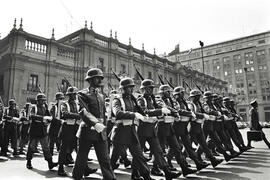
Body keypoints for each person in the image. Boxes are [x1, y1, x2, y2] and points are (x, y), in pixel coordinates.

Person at [72, 68, 115, 180]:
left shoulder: (101, 96)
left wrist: (104, 127)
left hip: (100, 132)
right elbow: (83, 111)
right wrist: (95, 123)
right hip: (87, 130)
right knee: (81, 158)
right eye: (97, 78)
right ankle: (76, 177)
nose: (99, 80)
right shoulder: (82, 94)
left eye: (100, 78)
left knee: (105, 159)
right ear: (90, 80)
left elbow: (103, 113)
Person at [137, 79, 181, 179]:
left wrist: (174, 112)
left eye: (151, 88)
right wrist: (160, 111)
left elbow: (164, 107)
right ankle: (135, 173)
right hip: (143, 130)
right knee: (138, 154)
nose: (150, 91)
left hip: (152, 130)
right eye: (148, 89)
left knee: (159, 151)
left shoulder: (152, 99)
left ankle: (167, 172)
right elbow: (144, 111)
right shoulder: (141, 100)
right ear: (143, 90)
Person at [110, 77, 153, 180]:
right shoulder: (117, 100)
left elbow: (142, 111)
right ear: (123, 88)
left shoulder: (132, 100)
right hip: (120, 133)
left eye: (132, 87)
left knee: (139, 156)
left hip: (131, 132)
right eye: (129, 87)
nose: (131, 89)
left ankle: (147, 177)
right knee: (114, 159)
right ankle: (108, 175)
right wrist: (134, 114)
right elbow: (118, 113)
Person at [156, 84, 197, 177]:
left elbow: (175, 109)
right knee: (160, 150)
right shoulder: (158, 100)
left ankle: (184, 168)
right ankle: (155, 167)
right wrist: (174, 112)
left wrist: (175, 112)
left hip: (169, 127)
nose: (169, 93)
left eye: (169, 92)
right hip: (161, 127)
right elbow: (167, 108)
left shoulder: (170, 100)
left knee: (177, 148)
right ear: (162, 93)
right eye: (167, 92)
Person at [167, 86, 209, 171]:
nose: (183, 95)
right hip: (177, 126)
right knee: (174, 147)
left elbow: (187, 111)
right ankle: (168, 162)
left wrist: (190, 115)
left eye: (183, 93)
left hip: (184, 126)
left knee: (188, 146)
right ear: (176, 95)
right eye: (181, 93)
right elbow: (178, 111)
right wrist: (189, 113)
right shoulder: (175, 102)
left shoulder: (185, 103)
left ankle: (197, 163)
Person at [188, 89, 223, 168]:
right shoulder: (191, 105)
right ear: (193, 97)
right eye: (197, 97)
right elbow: (194, 114)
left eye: (198, 96)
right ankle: (185, 161)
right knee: (188, 146)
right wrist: (203, 115)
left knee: (204, 144)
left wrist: (208, 114)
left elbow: (204, 112)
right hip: (193, 126)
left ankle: (212, 160)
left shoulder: (199, 104)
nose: (198, 98)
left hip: (199, 126)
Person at [26, 93, 58, 170]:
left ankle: (50, 163)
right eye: (41, 100)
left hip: (42, 130)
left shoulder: (44, 108)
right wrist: (43, 118)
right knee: (31, 147)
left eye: (44, 101)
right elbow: (32, 116)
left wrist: (47, 110)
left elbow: (49, 117)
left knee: (46, 148)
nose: (43, 102)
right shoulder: (34, 107)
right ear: (38, 101)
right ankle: (29, 162)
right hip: (34, 129)